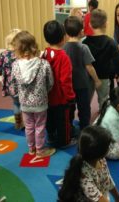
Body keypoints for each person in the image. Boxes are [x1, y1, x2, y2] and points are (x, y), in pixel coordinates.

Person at [11, 31, 55, 157]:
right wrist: (45, 91)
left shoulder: (15, 66)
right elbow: (50, 82)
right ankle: (40, 150)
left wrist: (18, 96)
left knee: (29, 126)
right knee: (40, 126)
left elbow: (13, 85)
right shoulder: (43, 64)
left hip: (24, 103)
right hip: (40, 102)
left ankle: (31, 149)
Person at [58, 126, 119, 202]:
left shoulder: (101, 160)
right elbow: (99, 198)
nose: (109, 148)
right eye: (108, 147)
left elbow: (108, 180)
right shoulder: (84, 175)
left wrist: (118, 199)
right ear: (100, 152)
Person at [63, 16, 101, 130]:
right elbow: (89, 67)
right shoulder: (84, 47)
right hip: (83, 85)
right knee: (84, 107)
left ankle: (69, 127)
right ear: (81, 32)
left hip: (69, 85)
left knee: (70, 108)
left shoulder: (63, 49)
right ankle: (84, 127)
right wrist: (97, 80)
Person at [43, 20, 76, 148]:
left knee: (49, 118)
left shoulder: (44, 53)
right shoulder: (63, 57)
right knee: (64, 122)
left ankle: (51, 136)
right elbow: (65, 80)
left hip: (47, 97)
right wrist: (70, 97)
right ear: (63, 38)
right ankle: (65, 141)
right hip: (61, 98)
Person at [83, 9, 119, 111]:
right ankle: (103, 117)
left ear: (90, 25)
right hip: (104, 76)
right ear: (106, 24)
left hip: (89, 76)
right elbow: (117, 60)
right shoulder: (111, 42)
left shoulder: (85, 42)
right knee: (104, 99)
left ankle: (85, 119)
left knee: (86, 100)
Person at [0, 28, 23, 130]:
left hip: (9, 86)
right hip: (22, 85)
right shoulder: (22, 54)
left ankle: (18, 123)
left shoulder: (3, 54)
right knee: (24, 104)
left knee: (16, 103)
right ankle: (28, 123)